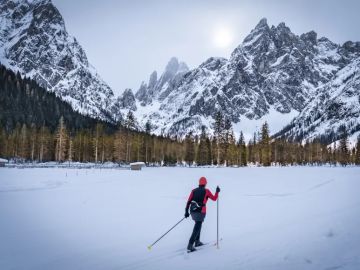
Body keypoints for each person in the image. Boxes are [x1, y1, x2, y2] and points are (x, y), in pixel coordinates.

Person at [184, 176, 220, 252]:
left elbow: (188, 202)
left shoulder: (193, 191)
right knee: (197, 227)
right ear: (205, 183)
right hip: (201, 212)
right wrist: (217, 192)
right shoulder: (206, 191)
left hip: (193, 211)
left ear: (199, 183)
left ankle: (197, 242)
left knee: (198, 225)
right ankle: (190, 245)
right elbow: (214, 198)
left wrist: (186, 212)